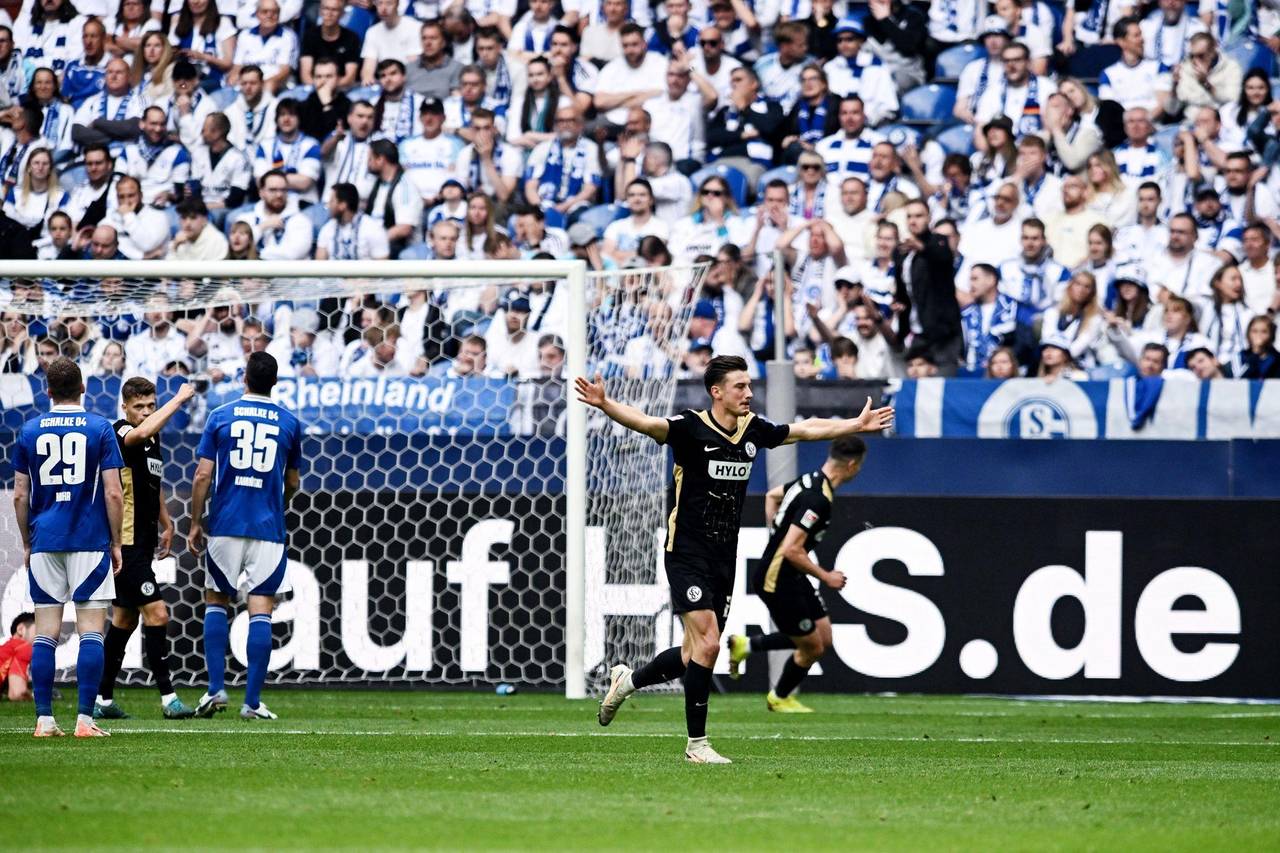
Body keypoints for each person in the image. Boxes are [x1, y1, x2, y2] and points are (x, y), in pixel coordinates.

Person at [583, 355, 893, 763]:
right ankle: (697, 746)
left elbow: (804, 429)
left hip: (723, 557)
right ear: (717, 392)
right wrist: (605, 404)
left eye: (749, 386)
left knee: (694, 653)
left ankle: (627, 682)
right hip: (687, 552)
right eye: (740, 387)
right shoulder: (690, 428)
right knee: (710, 644)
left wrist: (853, 424)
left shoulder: (753, 429)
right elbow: (646, 423)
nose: (748, 393)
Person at [11, 357, 125, 737]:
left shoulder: (29, 430)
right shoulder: (100, 428)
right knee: (92, 630)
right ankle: (85, 721)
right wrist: (116, 542)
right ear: (83, 388)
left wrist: (28, 542)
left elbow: (20, 495)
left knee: (45, 632)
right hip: (89, 540)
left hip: (46, 539)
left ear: (47, 391)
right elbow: (113, 492)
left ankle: (44, 720)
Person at [187, 351, 302, 721]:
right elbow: (293, 481)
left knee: (216, 601)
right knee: (261, 608)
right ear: (275, 382)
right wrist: (278, 503)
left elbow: (202, 475)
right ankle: (251, 702)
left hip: (225, 523)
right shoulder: (289, 422)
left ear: (244, 378)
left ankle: (215, 689)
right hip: (267, 527)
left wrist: (195, 522)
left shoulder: (220, 416)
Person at [725, 435, 867, 711]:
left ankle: (746, 645)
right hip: (776, 579)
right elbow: (791, 550)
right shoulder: (817, 499)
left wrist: (775, 533)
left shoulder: (810, 480)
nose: (858, 470)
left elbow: (772, 495)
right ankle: (778, 698)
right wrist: (826, 577)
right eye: (860, 466)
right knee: (812, 647)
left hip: (791, 575)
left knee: (823, 637)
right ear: (851, 465)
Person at [92, 379, 198, 721]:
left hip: (143, 541)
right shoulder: (121, 431)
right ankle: (169, 699)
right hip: (126, 544)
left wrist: (166, 522)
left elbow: (153, 482)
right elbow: (139, 433)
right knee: (158, 614)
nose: (146, 412)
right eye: (139, 406)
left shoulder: (153, 438)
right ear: (124, 407)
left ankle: (101, 699)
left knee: (124, 620)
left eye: (151, 405)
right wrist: (179, 400)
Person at [895, 199, 962, 373]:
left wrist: (922, 247)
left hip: (942, 332)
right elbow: (903, 290)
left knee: (944, 379)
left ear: (929, 218)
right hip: (916, 331)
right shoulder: (902, 251)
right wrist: (899, 303)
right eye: (909, 216)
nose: (913, 221)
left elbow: (943, 257)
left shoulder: (939, 241)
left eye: (919, 216)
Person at [231, 0, 298, 93]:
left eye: (274, 12)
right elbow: (237, 67)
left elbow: (284, 71)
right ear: (257, 14)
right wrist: (234, 79)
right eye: (264, 12)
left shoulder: (288, 37)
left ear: (279, 14)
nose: (269, 15)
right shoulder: (244, 35)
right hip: (247, 84)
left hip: (275, 86)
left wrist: (260, 86)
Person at [316, 182, 390, 260]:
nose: (328, 206)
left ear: (343, 205)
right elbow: (320, 262)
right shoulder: (327, 228)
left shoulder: (373, 229)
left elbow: (383, 263)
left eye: (332, 201)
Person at [299, 0, 360, 88]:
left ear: (342, 13)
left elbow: (350, 77)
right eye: (326, 9)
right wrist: (320, 89)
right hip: (314, 87)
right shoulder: (310, 36)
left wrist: (328, 89)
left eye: (334, 10)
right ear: (320, 11)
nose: (329, 14)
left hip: (341, 88)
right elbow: (306, 75)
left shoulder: (351, 38)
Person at [1, 612, 35, 701]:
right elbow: (17, 694)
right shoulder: (24, 647)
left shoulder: (8, 649)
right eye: (39, 631)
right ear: (21, 629)